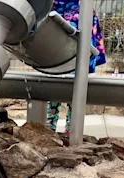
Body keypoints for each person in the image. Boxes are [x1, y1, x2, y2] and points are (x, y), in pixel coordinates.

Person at [46, 0, 106, 133]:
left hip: (63, 60)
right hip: (64, 60)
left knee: (61, 94)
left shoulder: (80, 8)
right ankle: (63, 130)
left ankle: (61, 130)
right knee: (63, 94)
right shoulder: (78, 8)